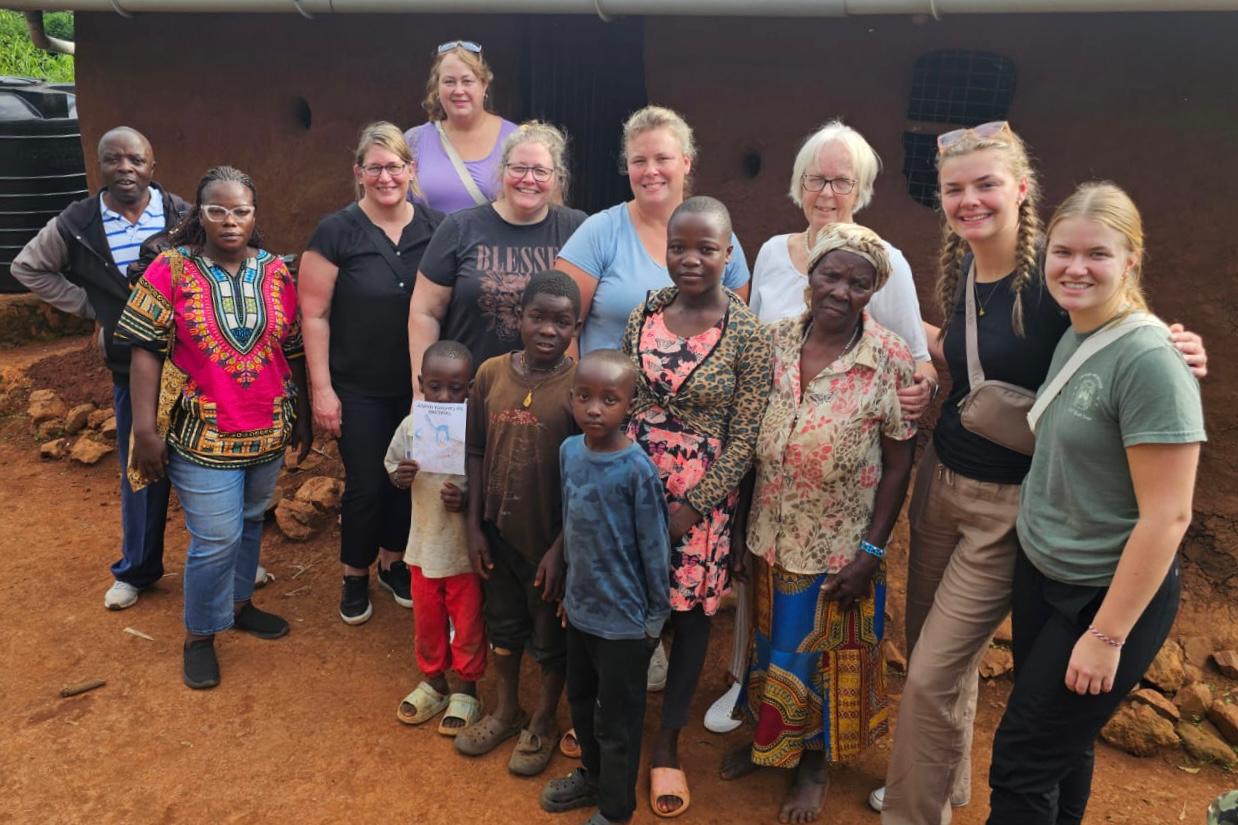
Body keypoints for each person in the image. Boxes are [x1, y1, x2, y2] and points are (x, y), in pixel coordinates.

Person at [876, 122, 1208, 824]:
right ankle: (940, 779)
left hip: (1012, 505)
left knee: (934, 674)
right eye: (955, 189)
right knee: (938, 655)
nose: (970, 200)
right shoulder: (965, 269)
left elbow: (1120, 330)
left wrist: (1175, 341)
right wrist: (903, 352)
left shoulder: (1053, 280)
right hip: (950, 484)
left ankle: (912, 810)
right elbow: (975, 359)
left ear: (1022, 189)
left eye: (987, 184)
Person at [707, 119, 934, 733]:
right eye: (816, 179)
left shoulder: (887, 263)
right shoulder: (772, 255)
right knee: (765, 614)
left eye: (841, 181)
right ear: (798, 184)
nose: (827, 192)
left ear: (861, 189)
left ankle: (816, 747)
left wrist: (919, 394)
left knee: (827, 630)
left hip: (841, 507)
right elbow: (752, 346)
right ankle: (752, 702)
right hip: (770, 498)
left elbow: (913, 361)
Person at [986, 182, 1203, 824]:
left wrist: (1107, 636)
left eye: (1097, 254)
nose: (1075, 268)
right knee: (1063, 746)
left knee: (1023, 762)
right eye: (1063, 252)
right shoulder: (1077, 332)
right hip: (1045, 572)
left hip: (1103, 593)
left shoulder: (1149, 360)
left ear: (1130, 260)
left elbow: (1169, 515)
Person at [719, 222, 917, 824]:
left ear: (872, 291)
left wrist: (870, 553)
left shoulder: (888, 358)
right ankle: (769, 742)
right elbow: (748, 442)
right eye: (831, 275)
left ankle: (812, 766)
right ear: (811, 275)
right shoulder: (774, 340)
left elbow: (898, 464)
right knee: (770, 645)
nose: (840, 291)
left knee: (822, 658)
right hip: (769, 533)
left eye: (858, 283)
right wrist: (737, 532)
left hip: (838, 546)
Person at [116, 166, 311, 689]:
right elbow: (144, 351)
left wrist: (302, 413)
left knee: (250, 521)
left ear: (254, 215)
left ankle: (240, 604)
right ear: (198, 215)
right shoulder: (172, 268)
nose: (230, 221)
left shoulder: (275, 270)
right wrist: (144, 431)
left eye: (241, 211)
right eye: (217, 210)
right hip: (202, 432)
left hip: (268, 426)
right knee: (216, 537)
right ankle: (200, 634)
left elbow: (292, 347)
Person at [620, 196, 772, 817]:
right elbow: (624, 400)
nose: (690, 259)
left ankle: (667, 744)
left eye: (706, 248)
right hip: (632, 485)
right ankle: (615, 721)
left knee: (687, 618)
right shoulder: (645, 312)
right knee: (628, 604)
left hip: (701, 500)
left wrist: (693, 508)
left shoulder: (748, 334)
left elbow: (746, 439)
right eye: (678, 246)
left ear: (728, 253)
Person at [11, 126, 187, 611]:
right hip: (131, 367)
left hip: (192, 367)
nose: (125, 168)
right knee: (141, 468)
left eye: (136, 159)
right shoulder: (77, 223)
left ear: (152, 166)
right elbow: (27, 267)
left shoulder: (180, 216)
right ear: (99, 165)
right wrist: (91, 306)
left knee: (207, 465)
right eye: (114, 159)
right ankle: (137, 571)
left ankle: (230, 560)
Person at [300, 121, 444, 625]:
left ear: (411, 170)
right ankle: (354, 572)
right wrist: (322, 389)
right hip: (357, 386)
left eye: (395, 166)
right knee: (366, 483)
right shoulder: (336, 231)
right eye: (375, 167)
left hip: (419, 385)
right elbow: (314, 315)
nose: (386, 177)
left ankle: (392, 562)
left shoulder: (436, 227)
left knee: (409, 477)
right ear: (359, 172)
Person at [456, 270, 582, 777]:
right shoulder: (490, 374)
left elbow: (586, 477)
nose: (548, 330)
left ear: (576, 328)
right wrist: (473, 526)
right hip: (498, 534)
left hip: (550, 541)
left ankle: (544, 719)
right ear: (518, 317)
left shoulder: (580, 386)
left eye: (562, 322)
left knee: (550, 638)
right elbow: (474, 450)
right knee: (503, 626)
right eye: (538, 317)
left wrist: (561, 549)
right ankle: (506, 710)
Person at [540, 349, 672, 825]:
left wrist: (654, 620)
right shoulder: (569, 452)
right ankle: (594, 779)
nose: (594, 409)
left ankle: (616, 810)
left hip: (624, 623)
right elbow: (573, 525)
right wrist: (570, 591)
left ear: (629, 405)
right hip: (580, 613)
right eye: (584, 397)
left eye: (609, 399)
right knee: (580, 703)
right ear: (572, 398)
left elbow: (655, 549)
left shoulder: (636, 470)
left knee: (617, 720)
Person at [557, 105, 751, 356]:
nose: (650, 171)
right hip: (610, 381)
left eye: (662, 159)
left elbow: (737, 332)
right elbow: (560, 327)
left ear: (686, 162)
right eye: (639, 161)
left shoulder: (718, 236)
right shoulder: (599, 232)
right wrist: (576, 381)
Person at [408, 120, 586, 384]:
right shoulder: (460, 227)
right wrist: (422, 386)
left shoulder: (577, 228)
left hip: (548, 394)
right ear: (502, 170)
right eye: (519, 168)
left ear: (556, 177)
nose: (528, 179)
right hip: (466, 390)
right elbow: (425, 312)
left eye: (540, 171)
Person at [384, 340, 484, 735]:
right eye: (435, 387)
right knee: (427, 621)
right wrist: (400, 476)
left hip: (462, 553)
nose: (443, 397)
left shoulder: (475, 431)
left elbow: (488, 481)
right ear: (421, 383)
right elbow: (392, 465)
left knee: (468, 623)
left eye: (455, 389)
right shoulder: (412, 427)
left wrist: (467, 498)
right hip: (423, 548)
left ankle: (468, 687)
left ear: (470, 388)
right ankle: (434, 681)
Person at [404, 40, 517, 214]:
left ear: (484, 85)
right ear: (437, 88)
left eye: (467, 81)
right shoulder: (413, 141)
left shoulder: (516, 140)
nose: (458, 90)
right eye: (449, 82)